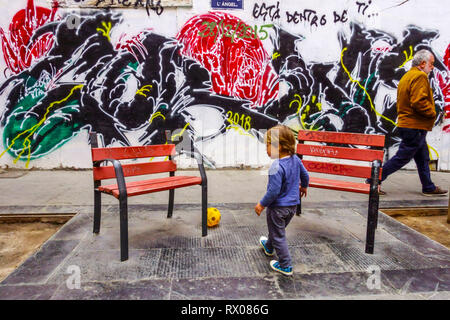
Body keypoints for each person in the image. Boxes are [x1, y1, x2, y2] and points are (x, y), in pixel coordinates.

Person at [378, 49, 447, 196]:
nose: (433, 67)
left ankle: (428, 187)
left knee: (423, 157)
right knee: (402, 158)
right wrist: (432, 113)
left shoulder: (407, 76)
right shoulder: (420, 77)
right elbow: (419, 102)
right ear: (422, 64)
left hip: (410, 125)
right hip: (414, 126)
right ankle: (373, 180)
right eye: (431, 64)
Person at [254, 125, 309, 276]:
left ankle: (285, 265)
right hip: (292, 206)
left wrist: (261, 204)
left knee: (279, 235)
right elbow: (305, 175)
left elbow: (273, 192)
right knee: (277, 230)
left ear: (279, 146)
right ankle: (269, 246)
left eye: (267, 145)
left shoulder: (276, 166)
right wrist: (304, 187)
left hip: (277, 208)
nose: (266, 148)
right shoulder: (296, 160)